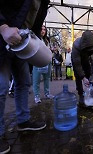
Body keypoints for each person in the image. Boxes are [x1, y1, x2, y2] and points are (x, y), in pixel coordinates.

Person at [0, 0, 49, 153]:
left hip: (23, 42)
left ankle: (23, 120)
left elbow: (35, 21)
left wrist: (36, 43)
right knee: (1, 87)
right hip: (3, 40)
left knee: (23, 83)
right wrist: (3, 27)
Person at [71, 30, 93, 114]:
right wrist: (82, 77)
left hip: (86, 59)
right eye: (88, 49)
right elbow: (77, 64)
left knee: (90, 74)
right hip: (77, 59)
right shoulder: (76, 45)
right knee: (78, 77)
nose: (90, 50)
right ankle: (81, 95)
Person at [32, 25, 54, 104]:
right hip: (38, 61)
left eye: (44, 29)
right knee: (36, 79)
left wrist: (51, 50)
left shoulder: (47, 40)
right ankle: (37, 96)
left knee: (47, 78)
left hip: (47, 61)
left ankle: (47, 93)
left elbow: (48, 49)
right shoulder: (35, 38)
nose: (43, 31)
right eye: (41, 29)